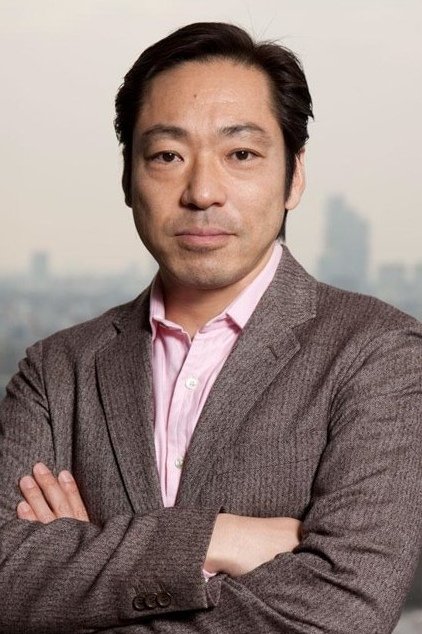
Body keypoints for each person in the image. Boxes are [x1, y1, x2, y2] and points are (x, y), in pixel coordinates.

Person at [0, 21, 421, 634]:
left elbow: (344, 612)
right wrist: (216, 539)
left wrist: (81, 578)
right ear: (127, 178)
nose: (201, 192)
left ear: (293, 176)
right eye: (167, 156)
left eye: (241, 154)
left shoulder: (377, 354)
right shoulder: (56, 370)